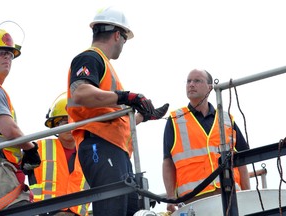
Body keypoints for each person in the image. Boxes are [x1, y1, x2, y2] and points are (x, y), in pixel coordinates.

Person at [66, 6, 169, 216]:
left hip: (113, 148)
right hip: (99, 145)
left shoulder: (103, 65)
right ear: (116, 35)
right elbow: (81, 93)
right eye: (124, 38)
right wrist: (127, 96)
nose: (123, 44)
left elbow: (109, 116)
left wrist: (141, 117)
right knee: (111, 210)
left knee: (132, 210)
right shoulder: (90, 58)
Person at [162, 69, 250, 213]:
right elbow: (167, 162)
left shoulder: (226, 119)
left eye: (197, 81)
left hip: (230, 193)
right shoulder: (175, 119)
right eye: (188, 81)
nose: (191, 85)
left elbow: (242, 159)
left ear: (210, 87)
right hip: (194, 199)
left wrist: (248, 195)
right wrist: (171, 198)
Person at [0, 28, 41, 210]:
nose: (7, 57)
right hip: (0, 170)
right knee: (20, 209)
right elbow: (9, 130)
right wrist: (31, 149)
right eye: (0, 53)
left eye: (9, 54)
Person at [27, 92, 90, 216]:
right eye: (63, 122)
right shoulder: (37, 147)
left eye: (72, 121)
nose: (68, 126)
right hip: (45, 212)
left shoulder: (90, 154)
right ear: (55, 125)